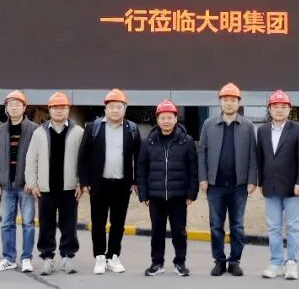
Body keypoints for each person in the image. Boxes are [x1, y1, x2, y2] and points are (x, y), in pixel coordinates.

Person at [77, 89, 141, 275]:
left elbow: (139, 157)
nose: (115, 110)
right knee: (98, 222)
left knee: (118, 223)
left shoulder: (132, 129)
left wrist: (136, 180)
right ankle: (99, 257)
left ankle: (113, 256)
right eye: (111, 106)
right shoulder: (93, 127)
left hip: (122, 184)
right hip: (99, 183)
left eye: (119, 107)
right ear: (105, 109)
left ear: (125, 109)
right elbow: (83, 157)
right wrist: (84, 181)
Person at [199, 83, 258, 277]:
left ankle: (234, 261)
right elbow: (202, 153)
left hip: (239, 185)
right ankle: (219, 260)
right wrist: (203, 177)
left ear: (238, 102)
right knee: (216, 225)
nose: (229, 103)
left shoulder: (247, 126)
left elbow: (253, 155)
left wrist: (252, 179)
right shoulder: (209, 124)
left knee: (237, 225)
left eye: (233, 100)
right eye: (226, 99)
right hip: (215, 184)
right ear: (220, 102)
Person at [24, 92, 84, 276]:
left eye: (62, 107)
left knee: (69, 225)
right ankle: (47, 258)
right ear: (49, 110)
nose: (59, 111)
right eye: (55, 107)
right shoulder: (39, 132)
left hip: (69, 189)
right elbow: (31, 159)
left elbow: (84, 161)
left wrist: (81, 183)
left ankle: (68, 257)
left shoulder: (78, 132)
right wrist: (32, 183)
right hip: (45, 189)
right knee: (46, 225)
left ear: (68, 109)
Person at [138, 100, 199, 276]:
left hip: (178, 196)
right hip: (155, 196)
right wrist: (144, 194)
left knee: (179, 231)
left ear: (175, 119)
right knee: (157, 231)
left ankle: (180, 263)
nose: (166, 121)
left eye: (169, 117)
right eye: (162, 117)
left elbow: (193, 168)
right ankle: (157, 263)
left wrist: (191, 193)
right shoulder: (148, 142)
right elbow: (141, 169)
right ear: (157, 119)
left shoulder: (186, 141)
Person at [255, 89, 299, 280]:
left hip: (292, 186)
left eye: (283, 107)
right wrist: (261, 182)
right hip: (270, 186)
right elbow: (260, 158)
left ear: (289, 109)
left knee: (293, 227)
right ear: (270, 109)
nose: (279, 110)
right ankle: (276, 262)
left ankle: (292, 262)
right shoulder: (262, 131)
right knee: (273, 227)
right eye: (276, 106)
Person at [0, 90, 40, 272]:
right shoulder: (0, 130)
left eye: (18, 104)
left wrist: (33, 182)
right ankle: (9, 258)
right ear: (6, 108)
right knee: (6, 223)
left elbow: (38, 158)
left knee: (28, 223)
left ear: (24, 108)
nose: (14, 107)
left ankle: (26, 258)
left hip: (26, 186)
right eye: (10, 104)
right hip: (6, 186)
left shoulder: (34, 129)